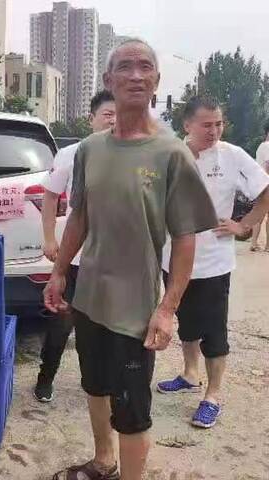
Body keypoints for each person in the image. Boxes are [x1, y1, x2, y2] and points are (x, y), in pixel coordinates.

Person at [43, 38, 218, 480]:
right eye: (125, 67)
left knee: (133, 408)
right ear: (109, 81)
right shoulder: (90, 149)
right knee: (95, 387)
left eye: (145, 67)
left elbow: (184, 238)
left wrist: (167, 308)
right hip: (90, 301)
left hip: (136, 310)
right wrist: (60, 272)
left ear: (156, 81)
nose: (136, 75)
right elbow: (79, 214)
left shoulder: (171, 154)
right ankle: (104, 462)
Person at [157, 96, 269, 428]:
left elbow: (265, 193)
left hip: (214, 263)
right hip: (173, 260)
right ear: (187, 125)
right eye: (207, 125)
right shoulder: (169, 154)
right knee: (185, 324)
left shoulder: (233, 156)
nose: (215, 130)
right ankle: (190, 375)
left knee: (215, 333)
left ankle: (213, 396)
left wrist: (244, 225)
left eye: (219, 123)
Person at [34, 90, 116, 403]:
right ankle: (46, 376)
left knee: (104, 325)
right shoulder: (71, 154)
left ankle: (98, 382)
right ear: (91, 118)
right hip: (76, 255)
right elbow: (51, 197)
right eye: (108, 114)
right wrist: (49, 238)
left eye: (118, 114)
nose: (113, 120)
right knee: (62, 321)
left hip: (112, 260)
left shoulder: (132, 153)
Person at [250, 121, 269, 251]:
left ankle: (253, 243)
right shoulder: (268, 146)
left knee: (259, 215)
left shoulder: (261, 146)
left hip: (260, 184)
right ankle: (267, 245)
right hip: (267, 184)